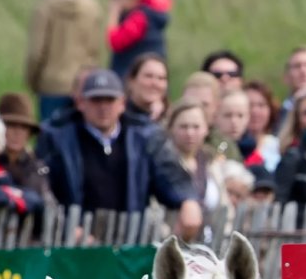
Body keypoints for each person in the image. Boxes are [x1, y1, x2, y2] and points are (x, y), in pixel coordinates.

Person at [38, 69, 202, 235]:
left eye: (109, 100)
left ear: (122, 103)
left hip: (130, 241)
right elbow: (44, 189)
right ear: (81, 103)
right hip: (77, 243)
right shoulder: (58, 139)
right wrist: (66, 226)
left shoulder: (143, 138)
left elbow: (169, 175)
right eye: (96, 100)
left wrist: (187, 200)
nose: (103, 107)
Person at [25, 0, 103, 124]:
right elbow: (95, 49)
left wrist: (32, 81)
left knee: (50, 137)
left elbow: (36, 52)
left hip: (51, 84)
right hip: (84, 84)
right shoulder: (92, 6)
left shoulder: (45, 6)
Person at [106, 0, 169, 74]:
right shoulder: (151, 14)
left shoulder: (139, 18)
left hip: (132, 76)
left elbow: (115, 42)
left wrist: (114, 13)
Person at [0, 92, 52, 203]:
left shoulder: (36, 167)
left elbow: (44, 202)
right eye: (11, 125)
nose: (17, 133)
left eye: (24, 128)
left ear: (29, 133)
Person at [123, 52, 168, 126]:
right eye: (148, 76)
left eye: (161, 78)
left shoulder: (173, 120)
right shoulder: (117, 117)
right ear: (132, 81)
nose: (155, 83)